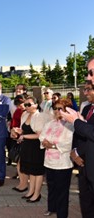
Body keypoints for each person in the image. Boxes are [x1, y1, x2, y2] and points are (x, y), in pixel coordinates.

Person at [39, 99, 74, 217]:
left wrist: (53, 145)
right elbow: (42, 136)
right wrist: (44, 142)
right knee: (51, 187)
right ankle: (51, 207)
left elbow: (68, 143)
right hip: (49, 162)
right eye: (55, 109)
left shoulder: (71, 125)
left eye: (60, 109)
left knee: (62, 191)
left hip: (63, 163)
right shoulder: (49, 123)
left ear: (66, 110)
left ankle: (62, 214)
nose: (57, 111)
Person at [12, 96, 45, 202]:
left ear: (36, 104)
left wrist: (24, 136)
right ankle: (31, 192)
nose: (26, 106)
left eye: (29, 104)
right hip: (27, 146)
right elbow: (24, 130)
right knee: (31, 171)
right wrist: (18, 131)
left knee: (37, 171)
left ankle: (37, 194)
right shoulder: (25, 114)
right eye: (25, 105)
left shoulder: (40, 116)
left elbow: (39, 135)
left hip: (36, 147)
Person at [69, 81, 94, 217]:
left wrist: (76, 121)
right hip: (82, 163)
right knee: (85, 200)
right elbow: (78, 133)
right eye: (84, 90)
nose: (85, 93)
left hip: (89, 159)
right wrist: (74, 151)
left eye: (88, 89)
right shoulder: (86, 109)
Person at [10, 94, 27, 191]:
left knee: (23, 163)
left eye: (21, 103)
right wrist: (13, 131)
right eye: (18, 104)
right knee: (19, 162)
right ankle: (22, 182)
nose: (20, 106)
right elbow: (14, 123)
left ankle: (24, 184)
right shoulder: (17, 111)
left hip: (27, 139)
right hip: (18, 139)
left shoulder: (29, 112)